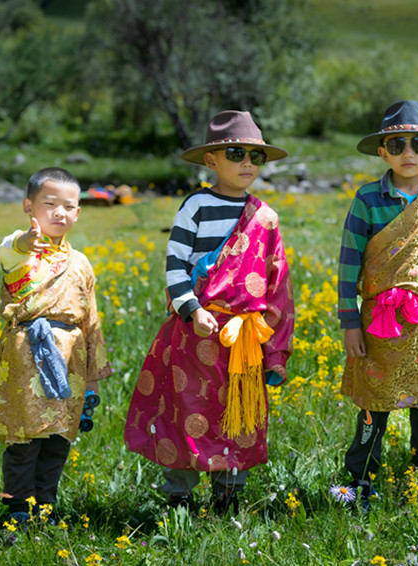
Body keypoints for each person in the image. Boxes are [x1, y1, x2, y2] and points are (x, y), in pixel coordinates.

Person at [123, 110, 294, 515]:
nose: (247, 163)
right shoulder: (196, 206)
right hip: (195, 332)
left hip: (245, 339)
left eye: (255, 156)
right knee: (186, 410)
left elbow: (278, 286)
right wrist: (192, 310)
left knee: (239, 413)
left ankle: (228, 497)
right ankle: (178, 498)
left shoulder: (265, 217)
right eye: (236, 154)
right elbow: (175, 266)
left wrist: (275, 350)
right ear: (211, 160)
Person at [337, 100, 418, 507]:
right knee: (372, 406)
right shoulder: (367, 199)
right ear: (383, 152)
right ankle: (359, 481)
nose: (408, 153)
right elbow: (348, 262)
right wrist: (349, 322)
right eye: (397, 145)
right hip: (379, 321)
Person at [0, 167, 112, 526]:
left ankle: (45, 506)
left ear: (78, 212)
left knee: (59, 438)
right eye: (49, 204)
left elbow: (91, 321)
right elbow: (10, 249)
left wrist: (92, 376)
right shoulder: (19, 252)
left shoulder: (81, 263)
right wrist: (25, 241)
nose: (60, 213)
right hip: (25, 356)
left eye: (69, 206)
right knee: (24, 439)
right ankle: (18, 510)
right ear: (28, 207)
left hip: (70, 357)